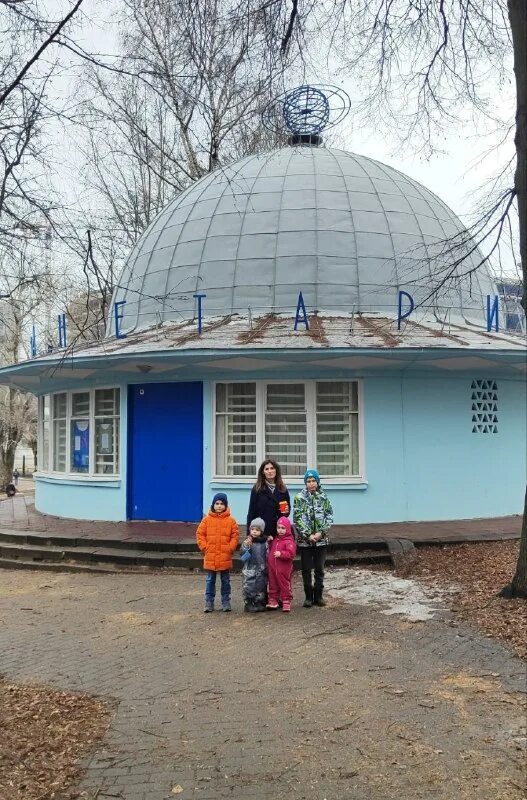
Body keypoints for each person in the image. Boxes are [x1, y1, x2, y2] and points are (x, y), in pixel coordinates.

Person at [293, 469, 333, 608]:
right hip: (305, 541)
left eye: (313, 481)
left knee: (319, 569)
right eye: (308, 481)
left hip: (321, 540)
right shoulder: (299, 498)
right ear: (305, 483)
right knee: (306, 569)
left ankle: (319, 596)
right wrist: (308, 534)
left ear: (317, 482)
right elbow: (297, 519)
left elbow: (329, 516)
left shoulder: (324, 497)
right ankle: (308, 597)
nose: (311, 484)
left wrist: (320, 533)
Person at [196, 492, 239, 613]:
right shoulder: (206, 520)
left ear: (226, 505)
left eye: (222, 504)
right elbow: (200, 534)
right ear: (213, 505)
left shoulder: (231, 521)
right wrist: (205, 547)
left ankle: (226, 601)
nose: (219, 506)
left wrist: (230, 548)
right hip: (211, 555)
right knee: (210, 580)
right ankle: (209, 601)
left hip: (225, 555)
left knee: (225, 580)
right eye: (217, 503)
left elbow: (235, 536)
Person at [246, 460, 290, 540]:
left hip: (278, 532)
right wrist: (249, 535)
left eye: (272, 468)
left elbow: (285, 514)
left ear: (276, 470)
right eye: (266, 469)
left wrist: (285, 512)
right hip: (261, 532)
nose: (270, 471)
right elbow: (251, 512)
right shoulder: (257, 489)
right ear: (263, 472)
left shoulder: (283, 489)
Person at [266, 516, 296, 612]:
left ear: (287, 529)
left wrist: (281, 554)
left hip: (284, 570)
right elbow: (271, 550)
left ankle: (286, 601)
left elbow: (291, 554)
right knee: (273, 584)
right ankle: (273, 600)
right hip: (273, 568)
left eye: (283, 528)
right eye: (279, 528)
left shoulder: (289, 541)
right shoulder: (275, 540)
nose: (280, 530)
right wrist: (270, 542)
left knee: (284, 585)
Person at [240, 517, 268, 612]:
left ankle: (258, 602)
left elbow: (267, 554)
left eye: (257, 530)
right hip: (250, 569)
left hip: (261, 569)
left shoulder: (265, 543)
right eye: (252, 529)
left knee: (260, 587)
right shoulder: (247, 542)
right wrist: (246, 547)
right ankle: (249, 603)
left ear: (262, 531)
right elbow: (243, 556)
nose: (254, 532)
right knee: (249, 586)